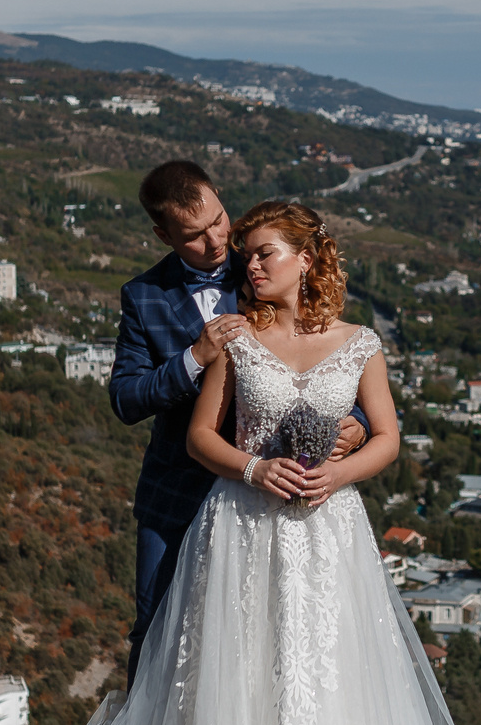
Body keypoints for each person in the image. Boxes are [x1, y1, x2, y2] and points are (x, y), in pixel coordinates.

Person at [25, 198, 481, 725]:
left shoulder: (359, 345)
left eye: (266, 253)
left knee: (326, 682)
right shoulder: (236, 343)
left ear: (309, 259)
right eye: (244, 254)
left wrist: (334, 473)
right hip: (243, 528)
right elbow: (198, 437)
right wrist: (254, 469)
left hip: (328, 536)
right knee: (237, 684)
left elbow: (385, 435)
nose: (249, 265)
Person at [107, 161, 362, 689]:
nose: (217, 240)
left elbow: (333, 358)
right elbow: (127, 399)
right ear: (163, 235)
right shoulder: (144, 296)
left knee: (270, 632)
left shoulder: (268, 266)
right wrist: (193, 358)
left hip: (270, 499)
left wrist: (355, 422)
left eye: (218, 220)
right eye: (194, 236)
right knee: (156, 627)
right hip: (177, 491)